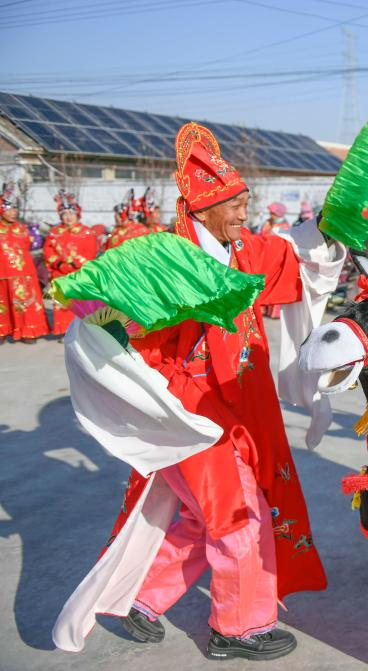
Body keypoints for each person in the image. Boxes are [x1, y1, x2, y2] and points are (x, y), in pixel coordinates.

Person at [76, 123, 344, 660]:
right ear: (204, 209)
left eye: (245, 202)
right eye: (236, 205)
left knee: (206, 516)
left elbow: (294, 255)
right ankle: (237, 628)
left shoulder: (241, 249)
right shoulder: (165, 263)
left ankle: (140, 596)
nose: (245, 213)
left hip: (238, 411)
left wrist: (335, 219)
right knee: (238, 515)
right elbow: (122, 335)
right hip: (190, 417)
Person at [43, 190, 103, 336]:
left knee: (80, 303)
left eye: (71, 213)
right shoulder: (54, 233)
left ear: (78, 215)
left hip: (79, 274)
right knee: (62, 303)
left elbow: (90, 252)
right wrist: (59, 264)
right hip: (60, 274)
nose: (68, 217)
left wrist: (75, 264)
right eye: (64, 214)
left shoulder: (87, 232)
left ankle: (83, 332)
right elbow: (48, 251)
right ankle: (64, 331)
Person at [0, 182, 50, 343]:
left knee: (25, 303)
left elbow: (29, 246)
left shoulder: (22, 229)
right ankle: (3, 330)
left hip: (23, 274)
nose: (13, 212)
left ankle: (28, 332)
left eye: (15, 209)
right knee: (3, 304)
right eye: (9, 209)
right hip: (2, 273)